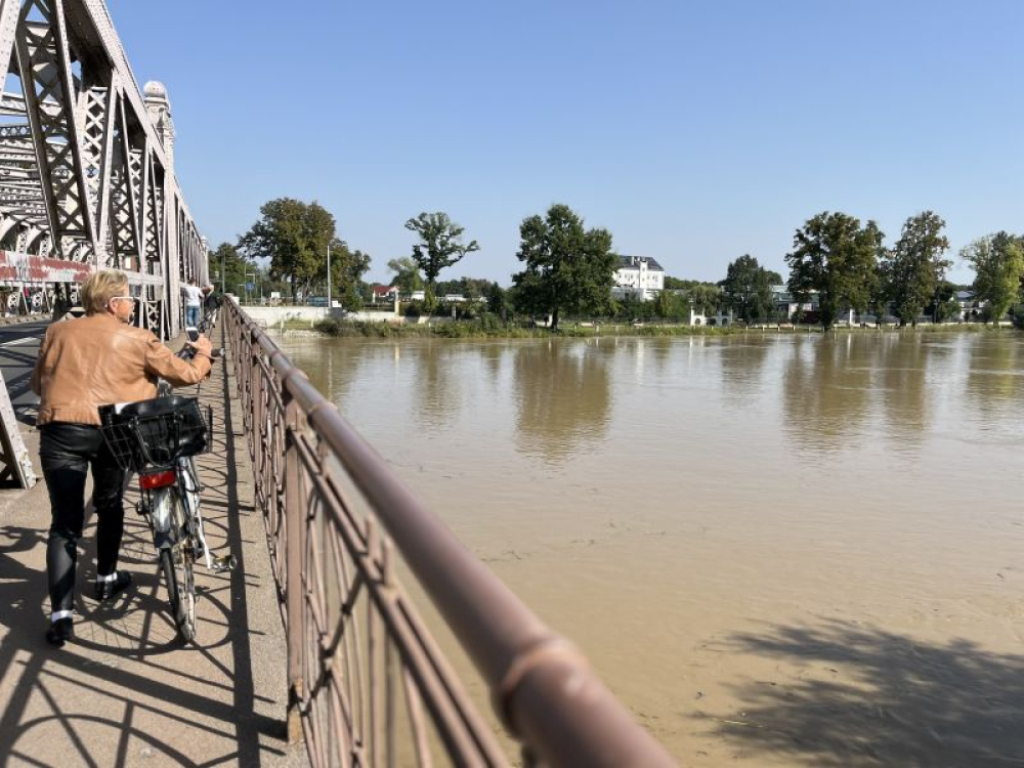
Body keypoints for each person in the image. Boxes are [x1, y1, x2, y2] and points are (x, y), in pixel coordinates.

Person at [31, 270, 213, 646]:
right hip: (115, 433)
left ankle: (61, 618)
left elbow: (37, 384)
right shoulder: (138, 338)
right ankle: (106, 580)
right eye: (129, 299)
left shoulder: (57, 333)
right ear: (114, 304)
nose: (132, 305)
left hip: (60, 433)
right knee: (109, 502)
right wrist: (205, 352)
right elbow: (186, 375)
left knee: (64, 522)